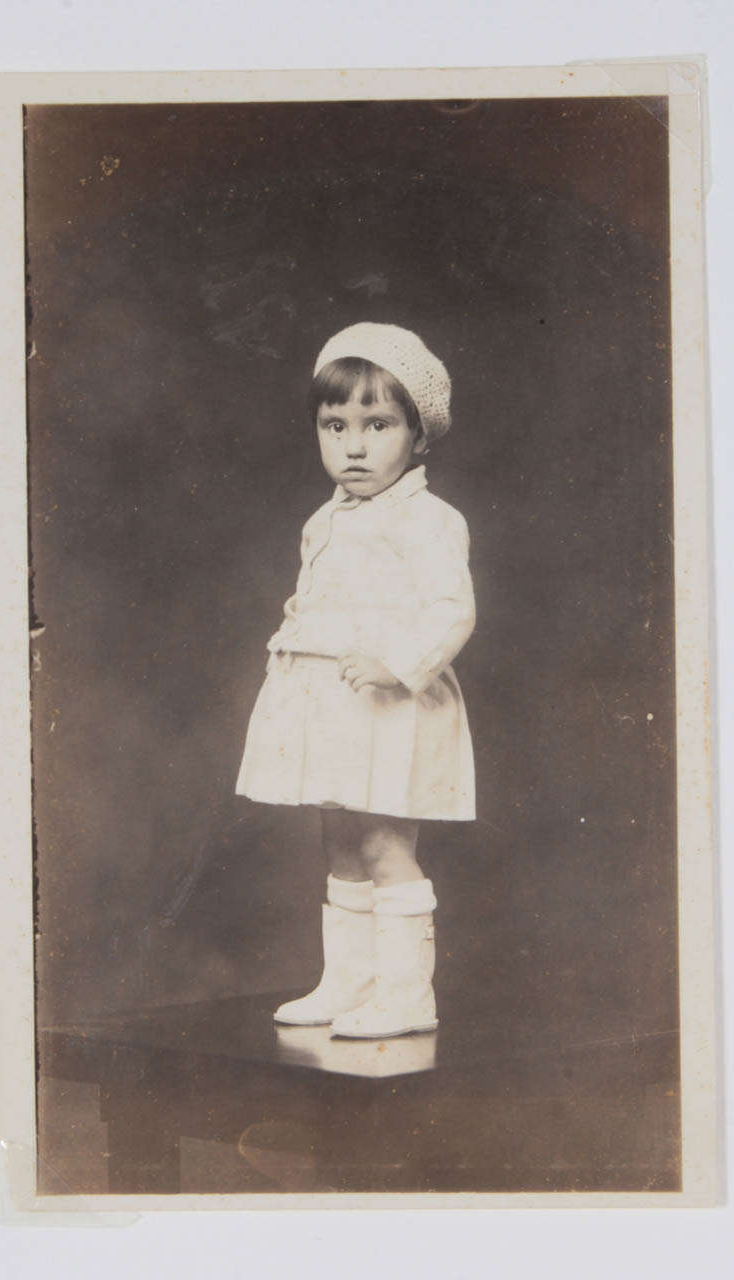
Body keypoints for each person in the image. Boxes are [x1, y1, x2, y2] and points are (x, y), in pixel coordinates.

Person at [236, 322, 475, 1038]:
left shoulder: (429, 519)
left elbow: (450, 610)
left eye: (377, 424)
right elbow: (313, 602)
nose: (354, 444)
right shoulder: (323, 520)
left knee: (383, 844)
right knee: (338, 839)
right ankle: (349, 983)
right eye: (334, 425)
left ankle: (405, 996)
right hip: (332, 708)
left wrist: (395, 665)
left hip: (390, 707)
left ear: (417, 434)